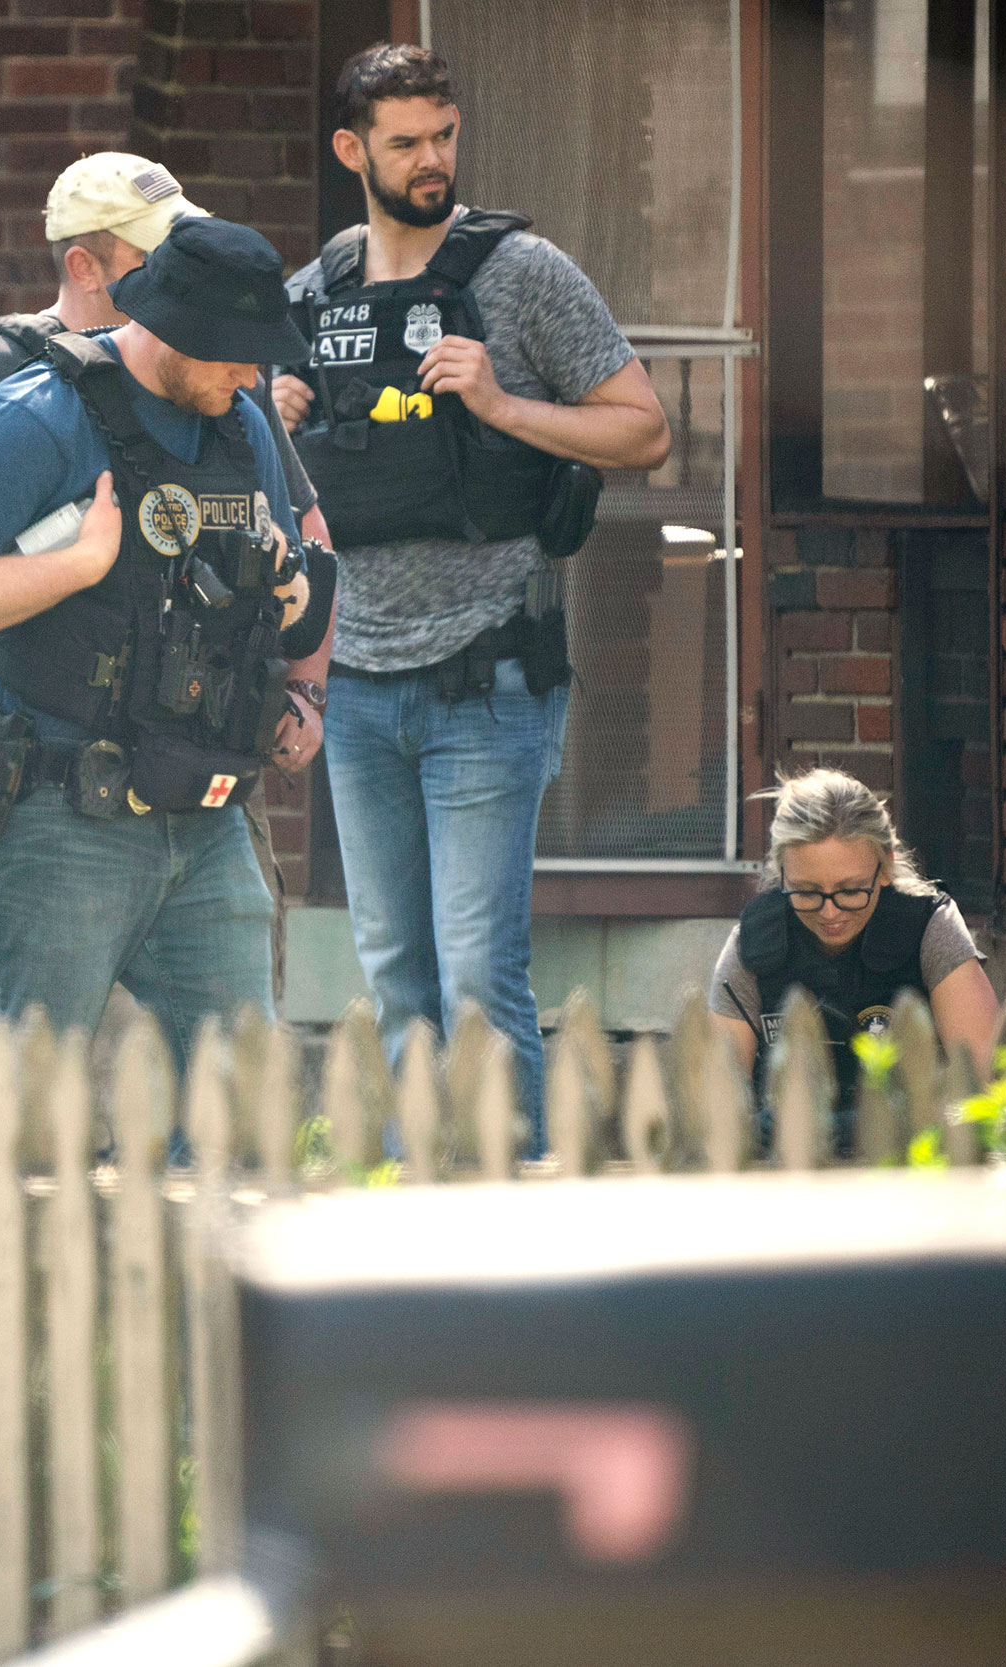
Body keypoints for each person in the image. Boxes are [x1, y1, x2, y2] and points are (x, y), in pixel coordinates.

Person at [0, 156, 340, 1165]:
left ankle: (207, 1321)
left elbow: (292, 558)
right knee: (23, 1113)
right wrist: (78, 561)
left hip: (206, 813)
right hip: (62, 812)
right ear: (170, 322)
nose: (248, 379)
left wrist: (289, 624)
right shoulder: (26, 413)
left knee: (242, 1109)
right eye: (231, 357)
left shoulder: (241, 423)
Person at [268, 44, 671, 1137]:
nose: (432, 159)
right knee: (395, 978)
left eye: (443, 135)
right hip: (351, 688)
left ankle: (513, 1226)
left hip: (485, 678)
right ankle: (414, 1227)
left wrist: (502, 406)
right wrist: (273, 429)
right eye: (405, 141)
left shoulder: (523, 273)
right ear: (353, 150)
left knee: (477, 975)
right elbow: (283, 511)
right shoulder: (313, 294)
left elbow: (643, 426)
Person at [709, 770, 1000, 1139]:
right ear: (781, 874)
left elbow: (983, 1089)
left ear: (885, 866)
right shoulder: (751, 946)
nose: (830, 912)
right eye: (807, 891)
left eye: (849, 890)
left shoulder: (931, 929)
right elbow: (713, 1110)